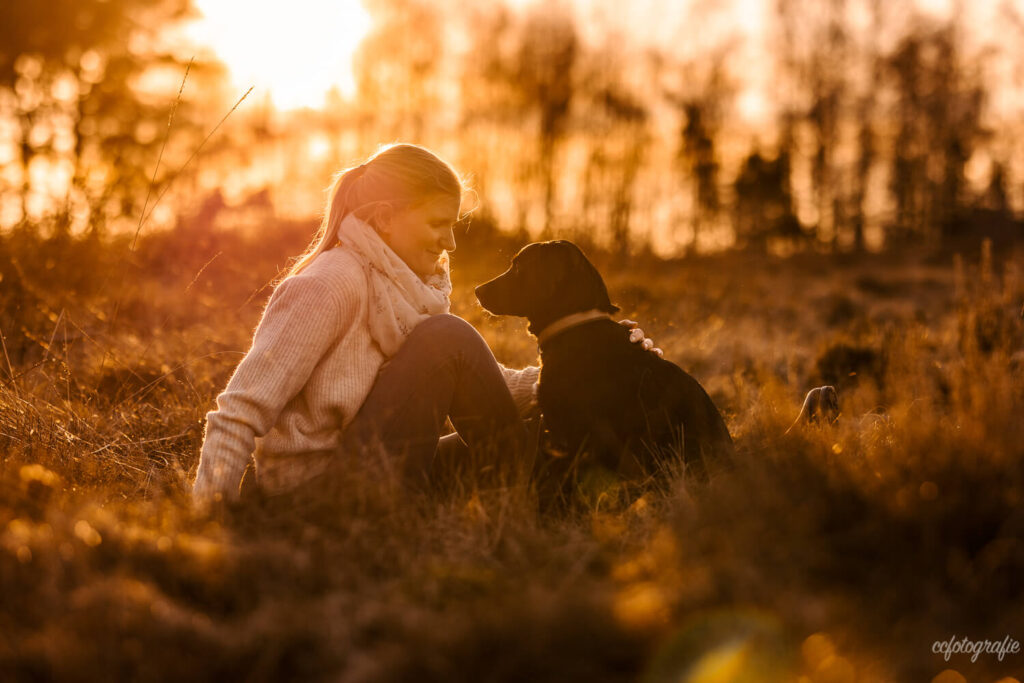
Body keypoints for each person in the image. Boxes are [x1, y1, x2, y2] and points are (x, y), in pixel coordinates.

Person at [192, 143, 657, 505]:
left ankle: (593, 475)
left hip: (380, 465)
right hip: (314, 495)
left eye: (454, 225)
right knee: (448, 338)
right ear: (387, 218)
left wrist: (592, 373)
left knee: (547, 424)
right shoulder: (329, 284)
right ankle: (537, 489)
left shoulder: (402, 284)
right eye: (438, 223)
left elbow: (480, 383)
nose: (450, 242)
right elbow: (239, 409)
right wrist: (211, 520)